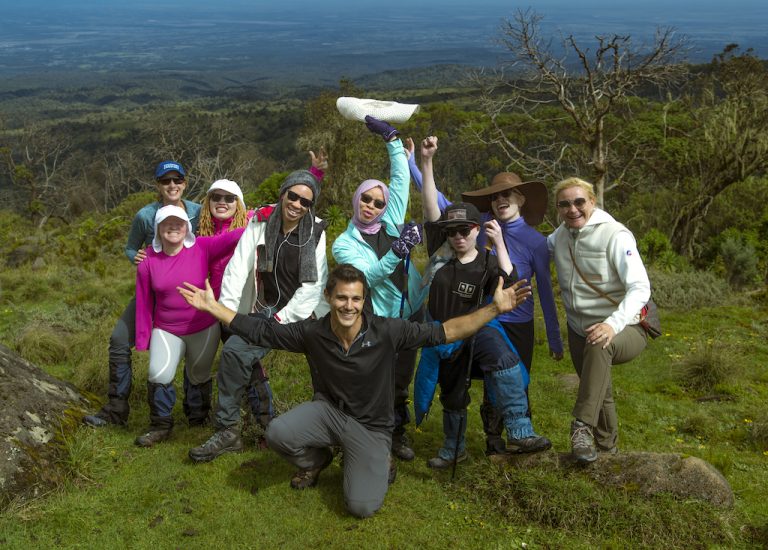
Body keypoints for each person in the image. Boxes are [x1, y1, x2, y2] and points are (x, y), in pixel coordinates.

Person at [177, 263, 532, 518]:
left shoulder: (388, 331)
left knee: (360, 507)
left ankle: (379, 460)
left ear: (365, 301)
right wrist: (214, 308)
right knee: (278, 432)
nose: (349, 306)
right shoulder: (312, 333)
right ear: (329, 296)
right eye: (342, 297)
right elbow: (263, 332)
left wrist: (493, 309)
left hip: (372, 428)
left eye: (357, 299)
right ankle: (318, 460)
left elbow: (448, 331)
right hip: (327, 413)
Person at [406, 136, 562, 456]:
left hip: (495, 324)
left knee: (505, 366)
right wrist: (422, 161)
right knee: (452, 391)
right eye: (453, 231)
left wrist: (500, 242)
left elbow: (513, 279)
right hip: (445, 332)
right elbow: (433, 202)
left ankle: (518, 430)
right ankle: (455, 446)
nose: (459, 236)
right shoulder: (444, 249)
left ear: (477, 229)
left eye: (465, 230)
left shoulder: (494, 255)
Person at [187, 168, 329, 463]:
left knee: (328, 366)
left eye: (306, 202)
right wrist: (226, 313)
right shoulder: (261, 221)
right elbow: (238, 267)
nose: (297, 205)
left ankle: (329, 430)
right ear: (283, 194)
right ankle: (229, 430)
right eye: (293, 196)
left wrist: (279, 321)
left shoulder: (316, 231)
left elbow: (313, 287)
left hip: (303, 315)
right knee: (235, 353)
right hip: (265, 309)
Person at [332, 116, 426, 462]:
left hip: (411, 311)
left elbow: (400, 180)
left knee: (402, 377)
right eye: (366, 200)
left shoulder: (391, 220)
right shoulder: (344, 244)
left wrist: (391, 139)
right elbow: (367, 277)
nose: (371, 206)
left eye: (377, 202)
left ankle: (396, 435)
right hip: (378, 319)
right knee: (376, 378)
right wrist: (398, 250)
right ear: (356, 200)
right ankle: (368, 435)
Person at [83, 161, 202, 428]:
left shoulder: (197, 211)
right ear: (157, 185)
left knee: (194, 349)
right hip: (153, 293)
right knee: (118, 340)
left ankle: (196, 413)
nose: (172, 186)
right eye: (165, 181)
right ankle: (116, 409)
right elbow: (130, 247)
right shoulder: (146, 216)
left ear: (185, 183)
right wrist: (135, 257)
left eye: (177, 180)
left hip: (189, 294)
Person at [548, 177, 650, 463]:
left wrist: (612, 324)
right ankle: (607, 451)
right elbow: (533, 254)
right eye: (564, 204)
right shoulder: (559, 236)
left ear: (592, 201)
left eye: (579, 202)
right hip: (578, 329)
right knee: (598, 390)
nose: (572, 209)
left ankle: (581, 427)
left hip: (626, 326)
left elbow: (641, 287)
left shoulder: (615, 235)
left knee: (598, 345)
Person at [134, 205, 246, 446]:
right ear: (158, 228)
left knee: (199, 375)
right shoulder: (147, 262)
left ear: (187, 227)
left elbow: (236, 236)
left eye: (179, 223)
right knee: (158, 373)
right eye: (167, 223)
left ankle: (198, 418)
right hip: (166, 329)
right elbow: (144, 303)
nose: (174, 227)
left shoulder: (202, 247)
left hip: (204, 326)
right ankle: (160, 425)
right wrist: (143, 339)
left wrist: (261, 215)